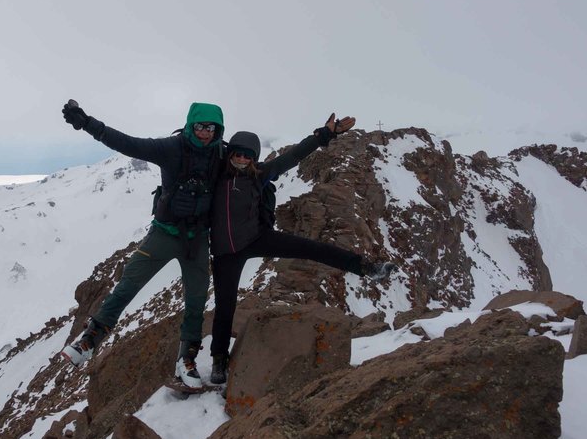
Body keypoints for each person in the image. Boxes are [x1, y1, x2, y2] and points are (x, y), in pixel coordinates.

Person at [207, 114, 396, 384]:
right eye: (237, 154)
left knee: (312, 248)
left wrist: (324, 135)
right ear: (229, 153)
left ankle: (367, 268)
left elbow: (293, 156)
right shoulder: (215, 177)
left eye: (248, 156)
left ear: (254, 158)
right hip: (226, 253)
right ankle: (218, 361)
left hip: (257, 238)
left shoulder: (259, 175)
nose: (242, 159)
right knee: (225, 305)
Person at [58, 99, 225, 389]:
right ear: (190, 125)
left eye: (212, 128)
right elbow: (127, 143)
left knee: (196, 300)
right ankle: (89, 341)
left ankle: (185, 360)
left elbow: (257, 165)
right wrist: (87, 123)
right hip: (164, 233)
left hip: (196, 239)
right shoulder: (171, 149)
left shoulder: (221, 155)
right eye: (200, 126)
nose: (205, 133)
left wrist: (321, 138)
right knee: (128, 284)